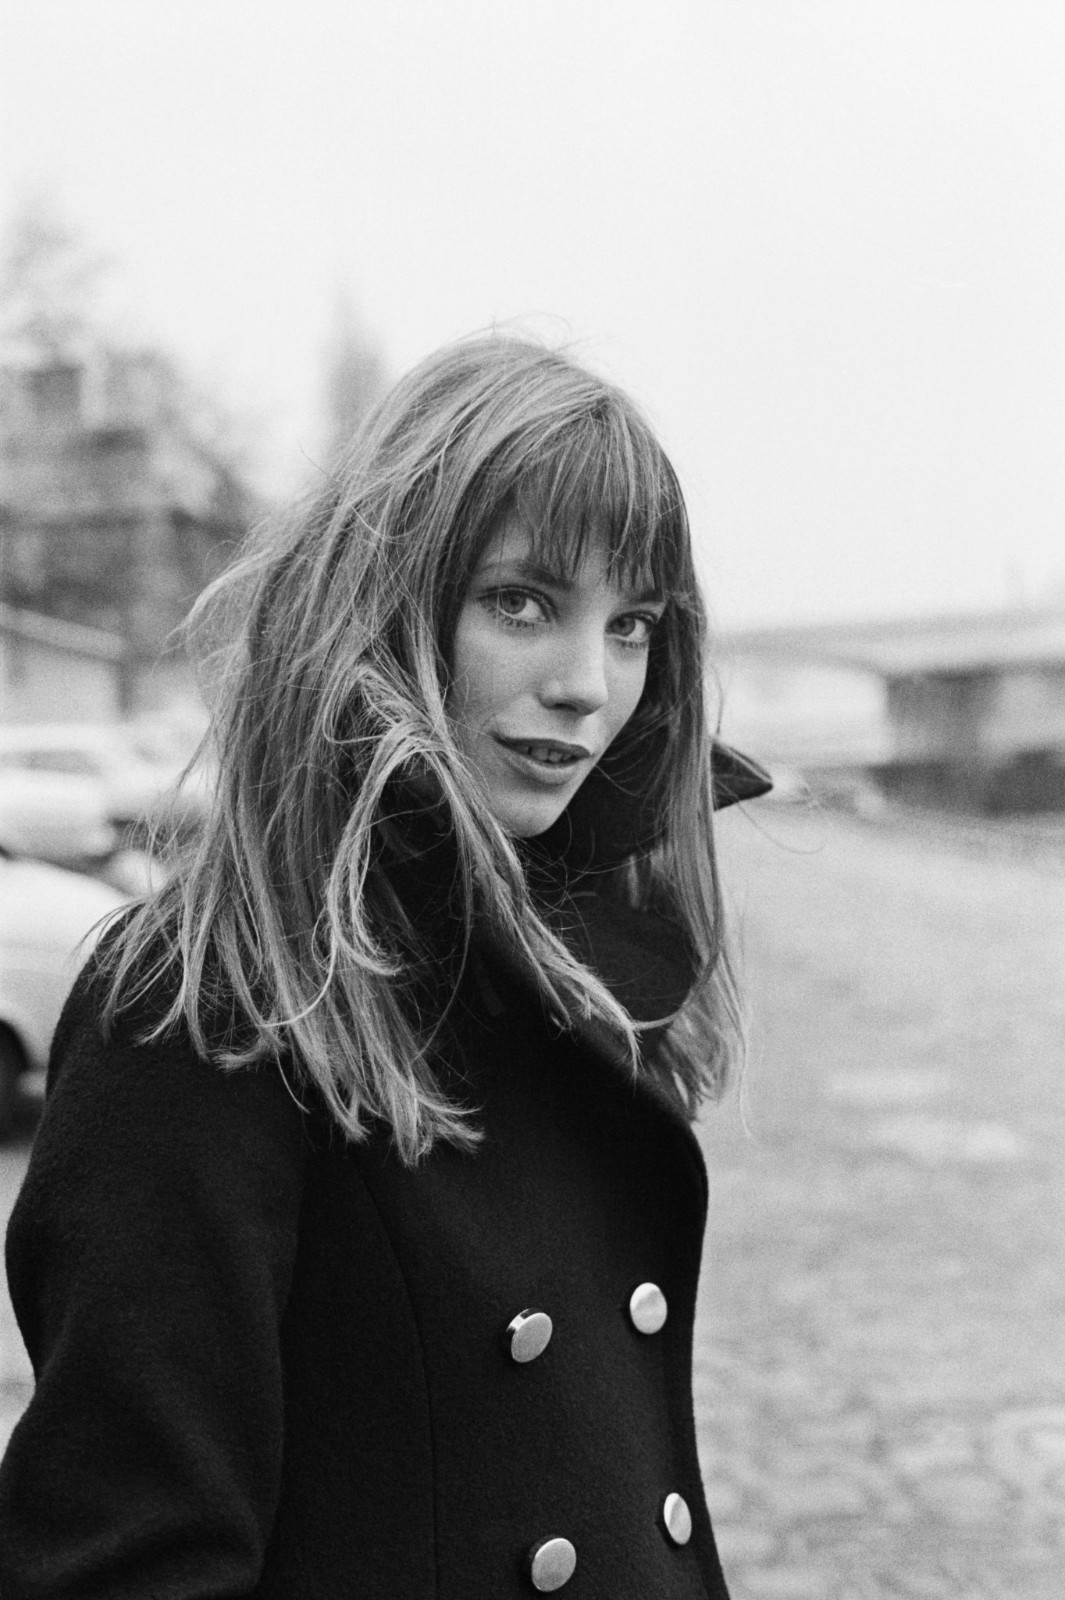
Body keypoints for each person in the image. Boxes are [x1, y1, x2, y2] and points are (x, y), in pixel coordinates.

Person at [0, 333, 770, 1598]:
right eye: (522, 601)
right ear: (386, 595)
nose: (588, 685)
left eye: (631, 624)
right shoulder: (210, 1000)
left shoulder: (560, 965)